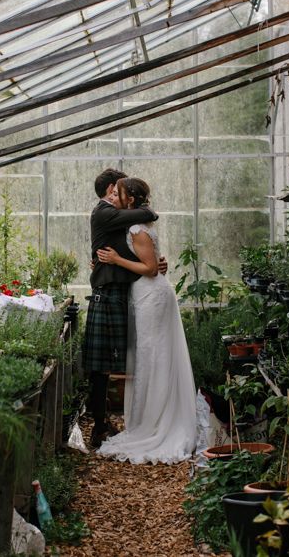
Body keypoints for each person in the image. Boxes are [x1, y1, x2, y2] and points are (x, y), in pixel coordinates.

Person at [95, 177, 197, 464]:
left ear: (129, 200)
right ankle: (152, 418)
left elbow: (151, 269)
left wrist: (116, 260)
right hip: (146, 294)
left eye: (120, 193)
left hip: (151, 293)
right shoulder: (132, 224)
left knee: (153, 354)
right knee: (151, 354)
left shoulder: (138, 227)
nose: (115, 197)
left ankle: (156, 422)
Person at [84, 168, 159, 448]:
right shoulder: (102, 212)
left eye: (125, 193)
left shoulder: (118, 219)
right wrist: (149, 210)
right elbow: (143, 215)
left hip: (122, 292)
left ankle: (116, 421)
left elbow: (134, 247)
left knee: (117, 362)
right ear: (111, 188)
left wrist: (153, 264)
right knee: (101, 366)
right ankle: (99, 425)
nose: (122, 195)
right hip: (108, 293)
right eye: (119, 190)